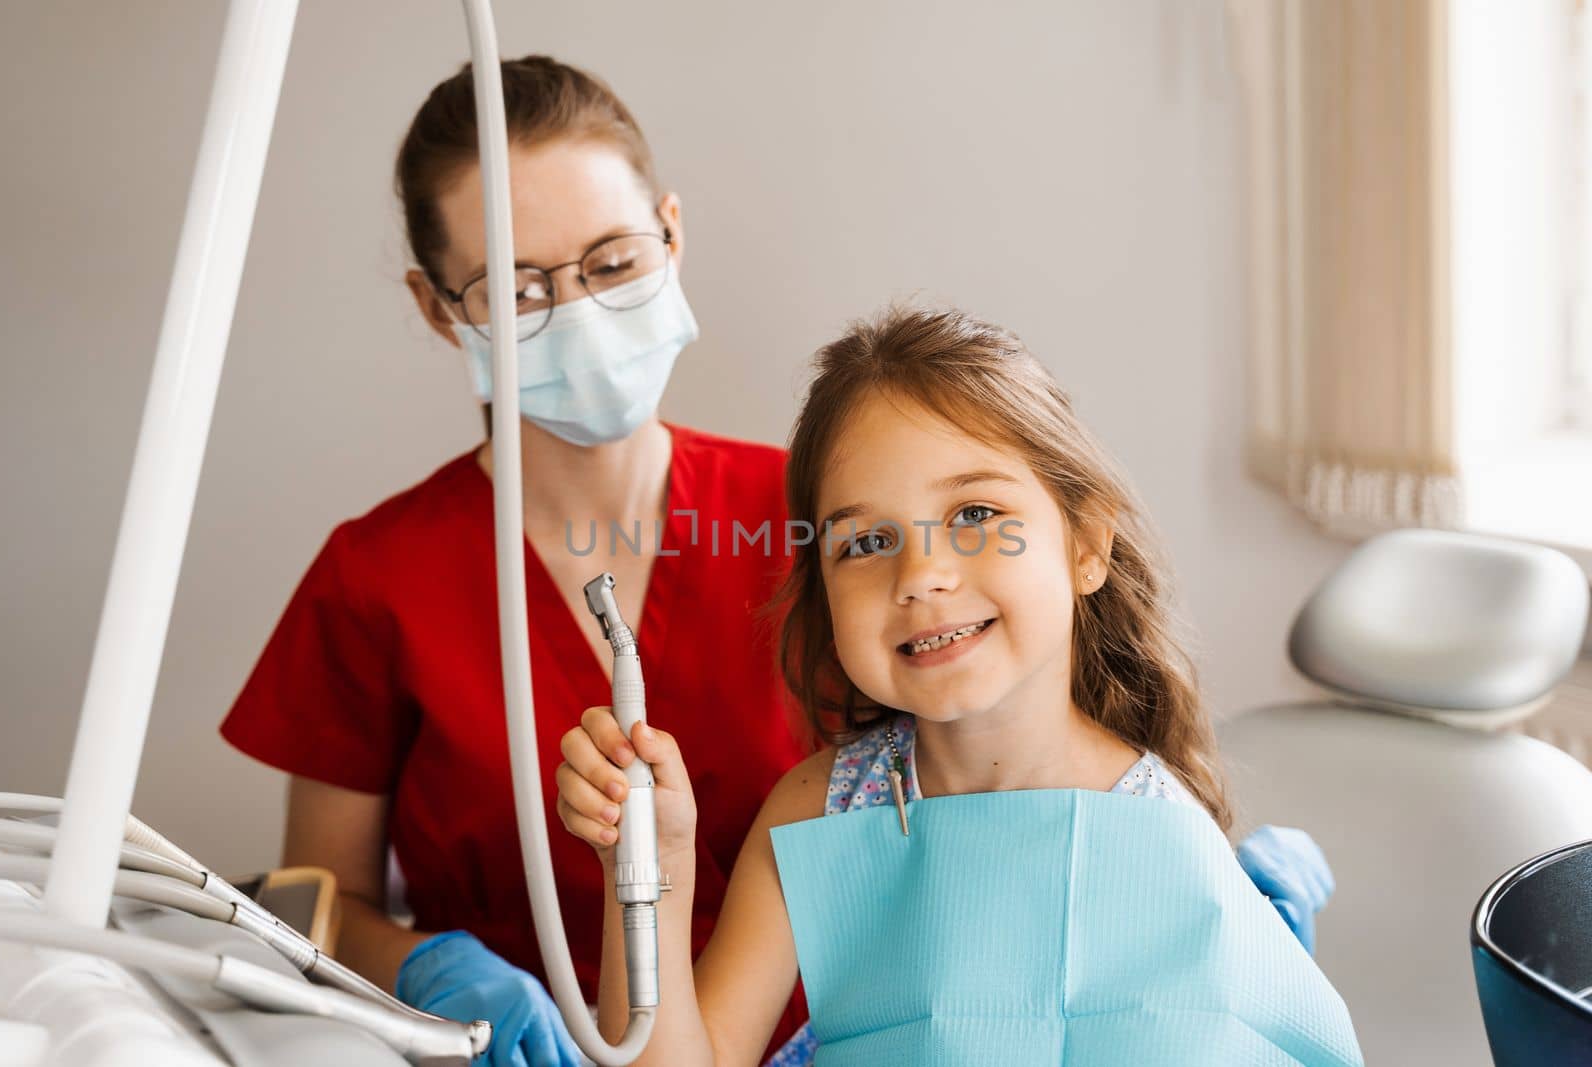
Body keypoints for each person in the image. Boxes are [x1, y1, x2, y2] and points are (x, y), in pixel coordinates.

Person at [223, 55, 1330, 1067]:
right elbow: (311, 893)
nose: (921, 571)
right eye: (517, 287)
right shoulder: (378, 576)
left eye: (610, 262)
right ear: (437, 306)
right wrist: (439, 961)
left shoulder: (803, 509)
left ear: (667, 235)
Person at [558, 307, 1351, 1066]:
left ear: (1086, 546)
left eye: (975, 512)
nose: (923, 575)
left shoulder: (1155, 841)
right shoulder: (818, 812)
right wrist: (650, 869)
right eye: (866, 540)